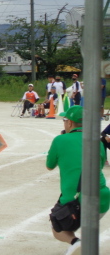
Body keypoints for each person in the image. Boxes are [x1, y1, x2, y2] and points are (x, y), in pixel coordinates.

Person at [46, 105, 110, 254]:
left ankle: (76, 243)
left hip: (76, 199)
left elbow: (49, 166)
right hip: (102, 197)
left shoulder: (60, 140)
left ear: (69, 123)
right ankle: (82, 245)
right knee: (86, 223)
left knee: (58, 228)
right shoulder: (97, 141)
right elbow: (99, 165)